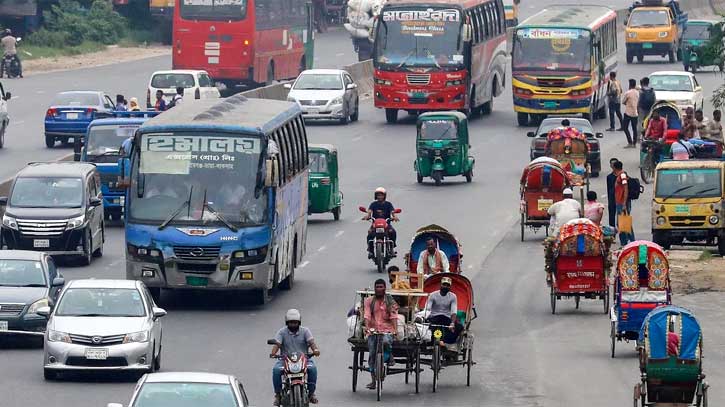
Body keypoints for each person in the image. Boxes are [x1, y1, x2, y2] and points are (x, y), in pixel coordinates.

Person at [269, 309, 320, 405]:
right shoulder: (281, 332)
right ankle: (278, 395)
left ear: (299, 322)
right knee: (276, 370)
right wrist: (273, 353)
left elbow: (312, 343)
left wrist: (315, 350)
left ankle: (311, 393)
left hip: (304, 359)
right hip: (285, 360)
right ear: (287, 323)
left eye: (295, 322)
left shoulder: (305, 331)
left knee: (312, 369)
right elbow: (277, 344)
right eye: (291, 323)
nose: (293, 325)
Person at [363, 279, 399, 390]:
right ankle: (373, 380)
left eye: (381, 287)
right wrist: (367, 327)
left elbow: (393, 317)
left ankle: (389, 356)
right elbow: (367, 315)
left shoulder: (390, 302)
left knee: (386, 341)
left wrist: (395, 330)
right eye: (377, 287)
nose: (379, 289)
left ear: (384, 288)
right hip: (374, 331)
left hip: (387, 330)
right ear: (374, 288)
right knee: (372, 352)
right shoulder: (369, 301)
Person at [424, 276, 463, 346]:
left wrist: (452, 323)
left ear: (450, 287)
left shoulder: (453, 296)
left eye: (448, 285)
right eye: (444, 284)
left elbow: (453, 311)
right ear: (440, 285)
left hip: (446, 317)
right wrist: (425, 318)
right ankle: (430, 341)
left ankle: (444, 341)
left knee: (460, 327)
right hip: (434, 317)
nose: (445, 287)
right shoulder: (433, 295)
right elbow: (428, 308)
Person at [363, 187, 398, 257]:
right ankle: (371, 251)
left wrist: (394, 216)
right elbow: (370, 211)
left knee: (393, 232)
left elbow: (392, 211)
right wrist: (367, 216)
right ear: (376, 196)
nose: (380, 197)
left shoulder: (388, 204)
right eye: (378, 195)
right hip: (375, 224)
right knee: (370, 233)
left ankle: (391, 248)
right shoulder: (373, 204)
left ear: (384, 196)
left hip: (386, 224)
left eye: (381, 195)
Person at [613, 160, 635, 245]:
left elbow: (625, 189)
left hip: (622, 203)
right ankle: (627, 242)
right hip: (620, 202)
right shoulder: (620, 175)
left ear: (615, 168)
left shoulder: (622, 175)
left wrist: (624, 204)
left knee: (623, 223)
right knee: (622, 223)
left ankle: (629, 242)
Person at [622, 79, 640, 147]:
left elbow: (623, 102)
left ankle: (630, 142)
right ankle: (634, 143)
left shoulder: (628, 93)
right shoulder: (638, 93)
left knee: (625, 127)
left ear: (629, 85)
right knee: (634, 128)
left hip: (628, 113)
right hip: (635, 113)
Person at [606, 158, 619, 228]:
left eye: (614, 163)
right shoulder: (609, 177)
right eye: (612, 163)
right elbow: (609, 190)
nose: (613, 165)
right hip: (612, 198)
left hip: (620, 198)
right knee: (611, 215)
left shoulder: (622, 175)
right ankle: (612, 230)